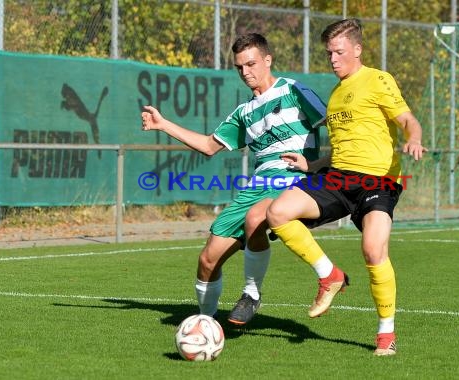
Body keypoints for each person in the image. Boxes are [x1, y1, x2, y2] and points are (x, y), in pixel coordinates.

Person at [266, 18, 427, 356]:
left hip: (378, 180)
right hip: (338, 177)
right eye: (329, 54)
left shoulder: (378, 79)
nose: (333, 59)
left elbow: (407, 119)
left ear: (357, 50)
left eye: (339, 52)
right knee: (277, 213)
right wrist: (311, 166)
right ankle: (330, 276)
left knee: (372, 250)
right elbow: (340, 151)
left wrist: (414, 138)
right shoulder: (337, 95)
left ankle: (386, 334)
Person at [141, 33, 326, 325]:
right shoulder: (244, 113)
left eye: (251, 64)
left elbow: (337, 126)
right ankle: (205, 324)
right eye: (239, 67)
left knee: (256, 217)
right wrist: (163, 125)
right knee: (207, 260)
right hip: (257, 185)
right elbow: (207, 146)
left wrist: (318, 164)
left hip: (292, 180)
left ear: (268, 60)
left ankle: (251, 294)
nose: (246, 72)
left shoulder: (294, 90)